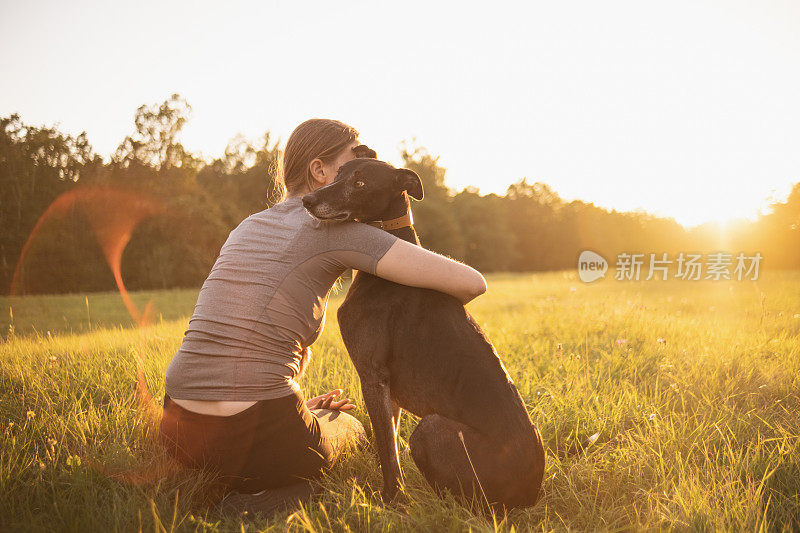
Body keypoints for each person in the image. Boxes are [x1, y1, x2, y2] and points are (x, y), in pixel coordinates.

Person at [158, 118, 487, 516]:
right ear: (320, 170)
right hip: (250, 429)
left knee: (322, 414)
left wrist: (295, 407)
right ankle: (266, 499)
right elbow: (471, 283)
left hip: (177, 424)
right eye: (352, 162)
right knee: (352, 428)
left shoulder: (247, 226)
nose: (362, 166)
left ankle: (235, 465)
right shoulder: (337, 228)